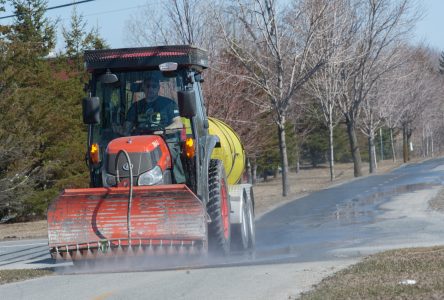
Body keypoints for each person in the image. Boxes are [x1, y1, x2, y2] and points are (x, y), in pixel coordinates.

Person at [121, 77, 186, 184]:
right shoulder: (135, 107)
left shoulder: (168, 104)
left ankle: (180, 183)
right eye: (148, 86)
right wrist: (122, 131)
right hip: (140, 142)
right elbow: (126, 128)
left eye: (154, 86)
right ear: (143, 88)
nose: (151, 89)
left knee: (173, 153)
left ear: (158, 88)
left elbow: (178, 123)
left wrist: (163, 131)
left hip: (165, 140)